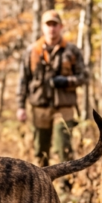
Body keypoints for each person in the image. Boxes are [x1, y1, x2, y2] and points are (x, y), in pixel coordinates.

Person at [16, 10, 88, 167]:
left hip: (64, 108)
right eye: (48, 24)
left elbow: (84, 76)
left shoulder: (72, 50)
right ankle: (41, 187)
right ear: (43, 27)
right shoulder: (32, 51)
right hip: (39, 108)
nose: (52, 28)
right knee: (40, 151)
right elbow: (23, 80)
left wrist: (66, 81)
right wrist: (20, 106)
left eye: (55, 24)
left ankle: (65, 188)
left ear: (61, 26)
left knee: (64, 148)